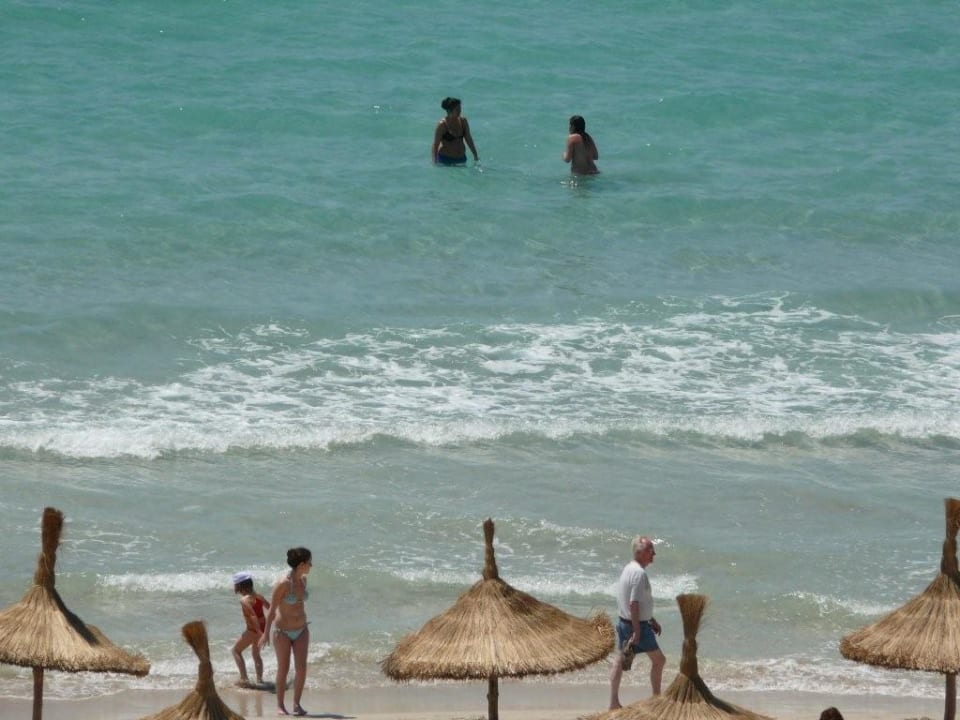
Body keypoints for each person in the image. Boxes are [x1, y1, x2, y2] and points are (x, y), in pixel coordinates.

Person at [609, 535, 666, 709]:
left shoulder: (628, 568)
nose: (654, 554)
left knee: (619, 661)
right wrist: (638, 631)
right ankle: (656, 700)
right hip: (636, 626)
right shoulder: (639, 574)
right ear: (639, 552)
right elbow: (633, 603)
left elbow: (636, 602)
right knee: (659, 661)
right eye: (650, 550)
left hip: (624, 622)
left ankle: (613, 702)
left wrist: (651, 619)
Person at [259, 547, 313, 716]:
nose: (311, 565)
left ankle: (296, 704)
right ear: (302, 564)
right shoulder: (283, 583)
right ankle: (280, 705)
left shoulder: (303, 581)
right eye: (309, 562)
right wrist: (265, 633)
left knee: (301, 668)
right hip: (282, 632)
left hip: (301, 630)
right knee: (283, 668)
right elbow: (272, 610)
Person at [231, 571, 270, 687]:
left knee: (235, 650)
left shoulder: (244, 600)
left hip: (253, 630)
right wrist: (265, 632)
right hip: (262, 628)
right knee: (256, 654)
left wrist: (259, 633)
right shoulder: (258, 596)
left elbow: (253, 616)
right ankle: (260, 680)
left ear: (239, 586)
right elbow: (269, 607)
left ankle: (244, 679)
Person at [432, 97, 479, 166]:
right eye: (457, 109)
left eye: (460, 108)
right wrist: (435, 161)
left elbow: (469, 139)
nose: (460, 111)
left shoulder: (463, 121)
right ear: (449, 110)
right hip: (445, 159)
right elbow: (435, 145)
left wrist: (475, 155)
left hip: (461, 159)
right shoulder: (442, 125)